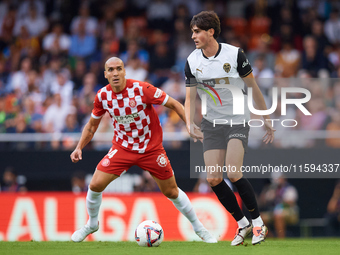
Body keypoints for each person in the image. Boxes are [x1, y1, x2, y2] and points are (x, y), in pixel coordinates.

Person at [70, 57, 216, 243]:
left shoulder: (141, 89)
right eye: (111, 70)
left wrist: (189, 125)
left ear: (124, 71)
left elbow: (174, 104)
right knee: (95, 185)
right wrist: (78, 147)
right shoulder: (102, 96)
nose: (115, 73)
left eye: (119, 69)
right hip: (122, 148)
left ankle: (199, 228)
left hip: (151, 149)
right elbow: (91, 126)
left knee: (171, 191)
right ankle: (91, 224)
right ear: (105, 74)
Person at [184, 11, 275, 246]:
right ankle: (243, 223)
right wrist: (188, 123)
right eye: (192, 31)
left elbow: (253, 87)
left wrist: (265, 117)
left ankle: (258, 224)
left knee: (233, 173)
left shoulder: (235, 55)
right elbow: (189, 98)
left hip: (236, 119)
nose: (193, 36)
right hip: (212, 124)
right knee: (213, 178)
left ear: (210, 32)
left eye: (197, 31)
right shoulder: (192, 61)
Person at [258, 172, 299, 238]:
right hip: (274, 212)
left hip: (289, 212)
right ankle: (270, 237)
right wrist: (266, 188)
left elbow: (290, 202)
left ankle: (281, 238)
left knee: (278, 216)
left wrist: (279, 198)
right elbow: (263, 201)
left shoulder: (289, 188)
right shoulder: (272, 189)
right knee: (260, 217)